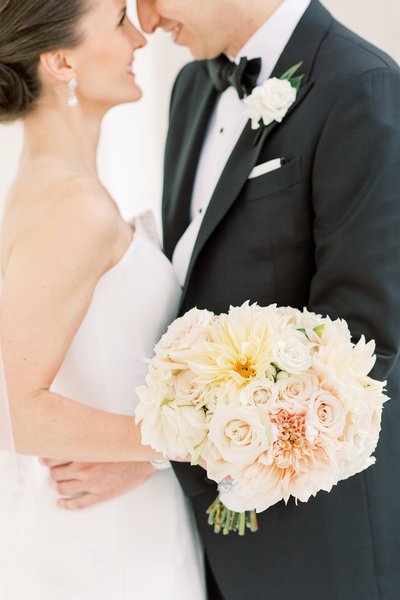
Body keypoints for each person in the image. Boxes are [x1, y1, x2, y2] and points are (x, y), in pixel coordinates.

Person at [45, 0, 400, 597]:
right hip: (191, 545)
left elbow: (361, 346)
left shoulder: (361, 89)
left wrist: (158, 455)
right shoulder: (191, 85)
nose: (148, 24)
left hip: (315, 543)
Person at [0, 0, 205, 598]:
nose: (140, 38)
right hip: (106, 548)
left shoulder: (57, 191)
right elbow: (17, 411)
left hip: (118, 525)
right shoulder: (72, 208)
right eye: (118, 20)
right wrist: (195, 438)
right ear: (61, 60)